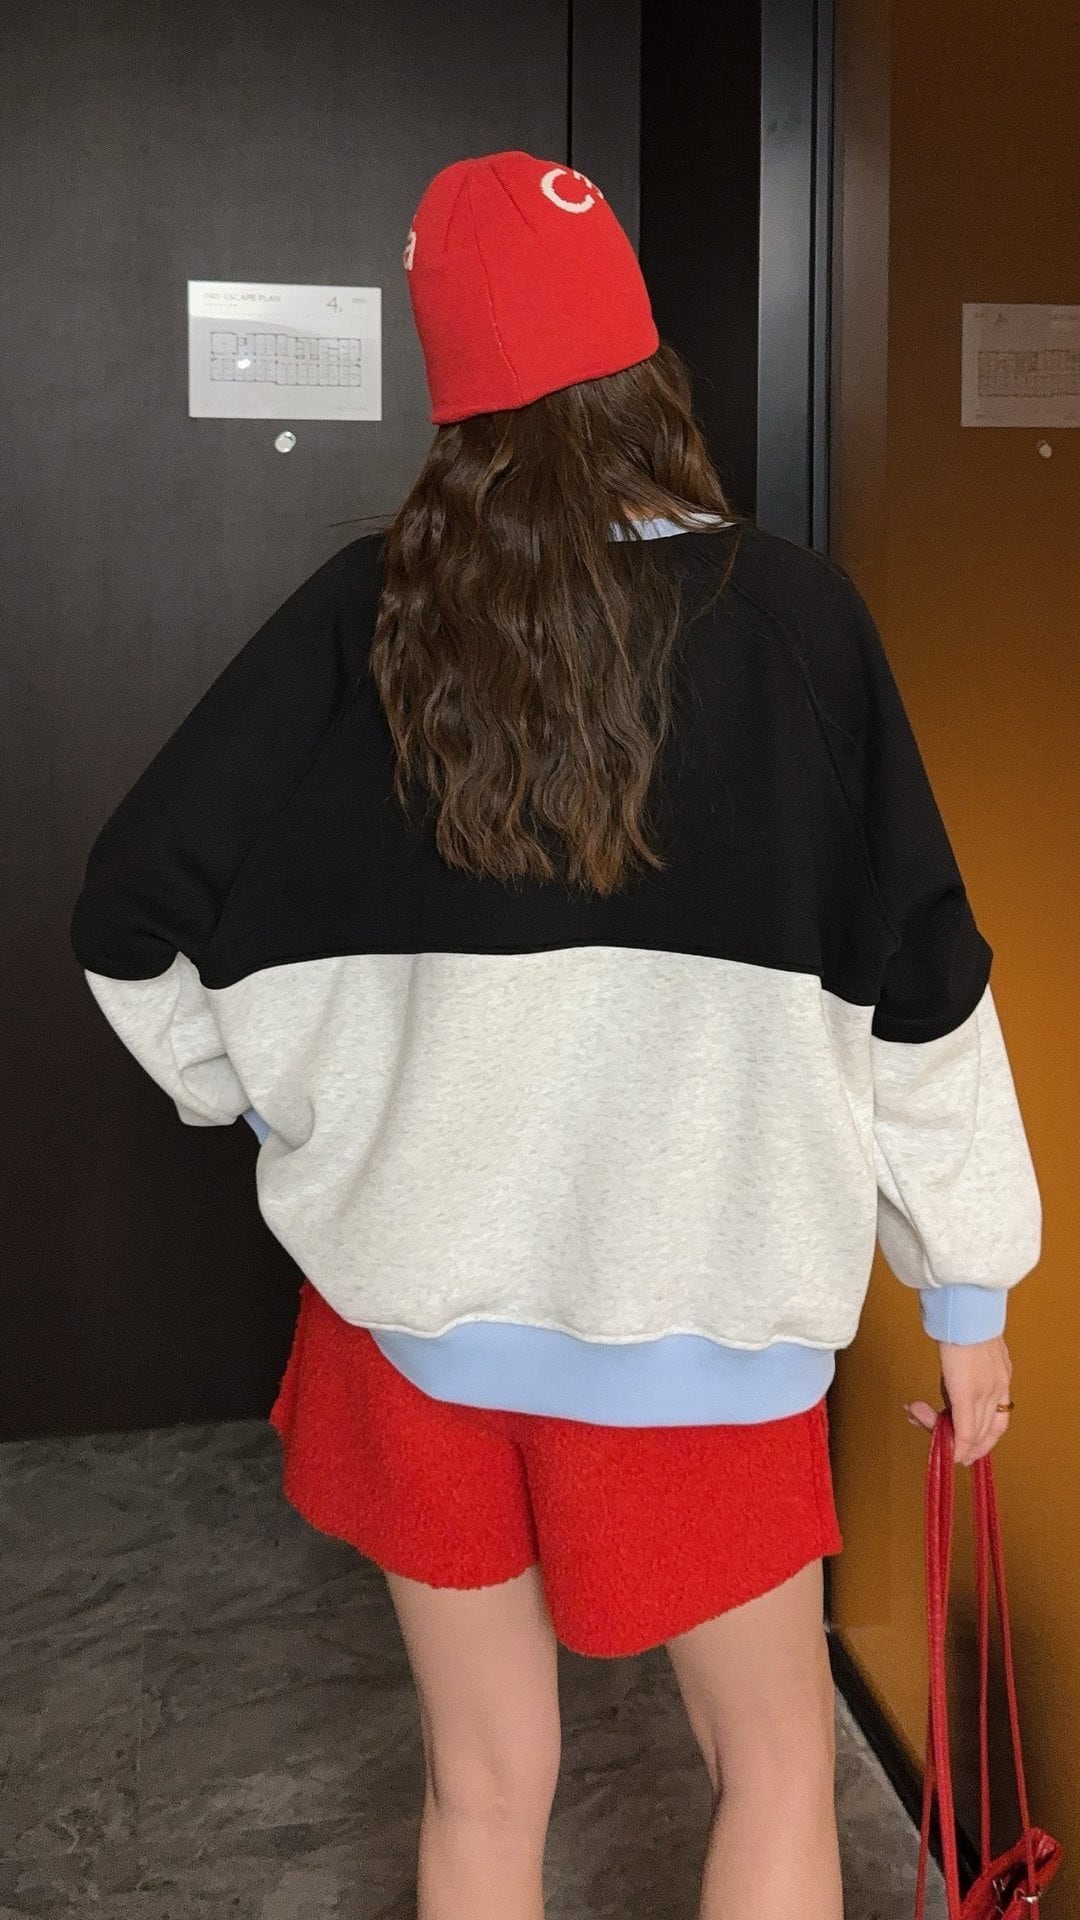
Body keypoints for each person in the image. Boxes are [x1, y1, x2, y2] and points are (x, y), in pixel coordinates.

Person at [70, 150, 1038, 1920]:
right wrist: (966, 1290)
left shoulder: (364, 614)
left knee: (482, 1787)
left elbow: (130, 913)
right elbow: (925, 983)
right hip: (706, 1329)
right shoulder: (798, 623)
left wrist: (280, 1107)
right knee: (773, 1773)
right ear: (648, 366)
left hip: (414, 1333)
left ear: (452, 387)